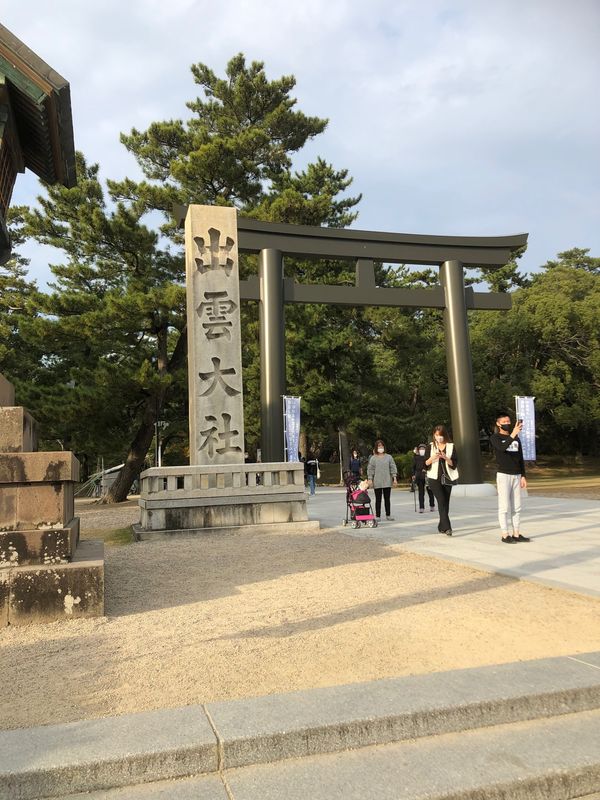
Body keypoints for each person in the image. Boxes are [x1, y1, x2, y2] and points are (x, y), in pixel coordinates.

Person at [490, 412, 530, 543]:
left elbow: (520, 458)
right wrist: (513, 434)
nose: (507, 424)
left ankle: (516, 533)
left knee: (517, 506)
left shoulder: (516, 439)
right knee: (504, 506)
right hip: (503, 475)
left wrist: (523, 475)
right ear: (498, 424)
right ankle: (505, 534)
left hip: (517, 475)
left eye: (508, 421)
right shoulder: (495, 437)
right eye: (504, 422)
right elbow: (502, 448)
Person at [424, 425, 458, 535]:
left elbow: (454, 464)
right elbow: (425, 464)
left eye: (441, 435)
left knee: (445, 503)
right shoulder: (430, 447)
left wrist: (446, 457)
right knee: (441, 500)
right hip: (434, 478)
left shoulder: (451, 446)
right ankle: (448, 527)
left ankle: (441, 526)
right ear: (434, 435)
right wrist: (433, 457)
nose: (439, 437)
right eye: (437, 435)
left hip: (448, 478)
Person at [367, 439, 398, 520]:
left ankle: (388, 515)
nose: (380, 447)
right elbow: (370, 469)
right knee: (378, 500)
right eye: (379, 446)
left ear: (384, 447)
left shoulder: (389, 457)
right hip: (377, 481)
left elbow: (393, 467)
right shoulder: (373, 458)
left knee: (387, 499)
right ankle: (378, 516)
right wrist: (370, 479)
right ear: (376, 448)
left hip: (387, 481)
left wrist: (394, 478)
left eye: (382, 446)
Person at [412, 443, 435, 514]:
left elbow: (432, 465)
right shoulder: (416, 457)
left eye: (423, 449)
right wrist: (413, 474)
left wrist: (426, 469)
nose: (422, 450)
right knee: (421, 492)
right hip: (419, 476)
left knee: (430, 491)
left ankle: (432, 505)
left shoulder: (428, 457)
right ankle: (421, 507)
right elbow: (413, 467)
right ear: (418, 450)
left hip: (427, 476)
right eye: (421, 449)